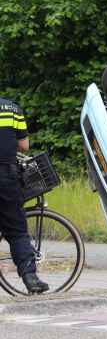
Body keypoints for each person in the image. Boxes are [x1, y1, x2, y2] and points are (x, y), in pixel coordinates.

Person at [0, 97, 48, 294]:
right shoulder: (11, 108)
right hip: (5, 178)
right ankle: (31, 279)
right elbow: (24, 146)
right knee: (17, 231)